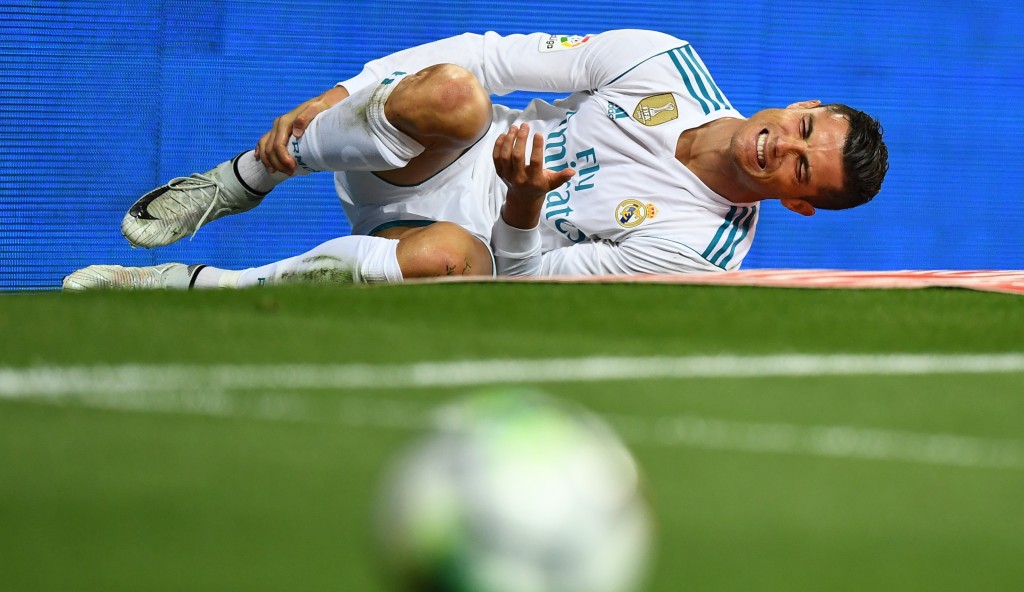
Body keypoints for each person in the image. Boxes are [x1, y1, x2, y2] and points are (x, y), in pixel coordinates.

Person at [63, 30, 887, 290]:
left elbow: (526, 285)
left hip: (466, 247)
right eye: (805, 123)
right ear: (803, 100)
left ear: (799, 203)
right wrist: (345, 89)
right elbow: (486, 56)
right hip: (427, 151)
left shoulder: (702, 254)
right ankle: (242, 180)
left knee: (462, 260)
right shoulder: (664, 64)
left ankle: (200, 289)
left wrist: (524, 208)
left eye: (802, 168)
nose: (785, 143)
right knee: (457, 91)